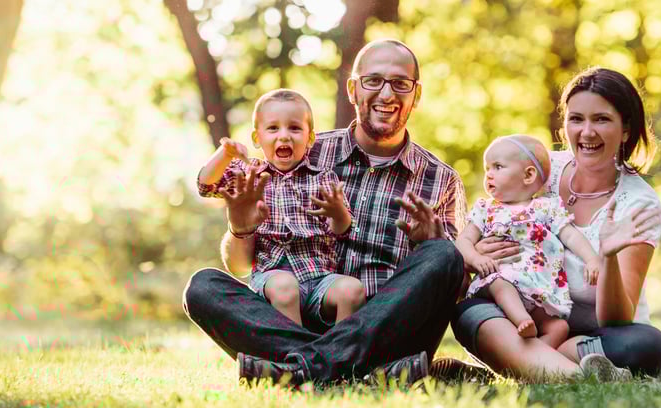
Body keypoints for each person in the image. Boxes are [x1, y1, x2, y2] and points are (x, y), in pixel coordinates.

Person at [182, 39, 468, 386]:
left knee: (443, 254)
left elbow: (455, 286)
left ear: (415, 95)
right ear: (352, 88)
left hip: (387, 335)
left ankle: (300, 369)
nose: (386, 94)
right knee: (202, 287)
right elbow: (241, 267)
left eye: (400, 83)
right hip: (297, 319)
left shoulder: (441, 179)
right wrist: (240, 227)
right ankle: (347, 372)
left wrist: (430, 244)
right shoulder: (302, 151)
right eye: (373, 80)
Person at [452, 67, 661, 382]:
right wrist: (481, 250)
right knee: (469, 313)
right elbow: (489, 220)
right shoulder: (541, 170)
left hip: (591, 334)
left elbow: (617, 319)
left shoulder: (638, 203)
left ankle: (540, 364)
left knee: (648, 346)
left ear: (625, 129)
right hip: (522, 318)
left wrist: (607, 256)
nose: (587, 132)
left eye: (602, 119)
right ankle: (568, 371)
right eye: (576, 119)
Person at [196, 89, 365, 328]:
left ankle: (341, 356)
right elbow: (205, 185)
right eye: (273, 128)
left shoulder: (323, 178)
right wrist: (225, 154)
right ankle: (293, 356)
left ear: (310, 138)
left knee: (352, 290)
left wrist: (340, 215)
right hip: (272, 276)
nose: (284, 136)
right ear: (257, 138)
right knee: (285, 287)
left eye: (294, 128)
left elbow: (342, 231)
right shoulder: (249, 174)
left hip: (320, 278)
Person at [455, 134, 601, 349]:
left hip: (538, 289)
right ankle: (521, 319)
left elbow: (570, 235)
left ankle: (534, 364)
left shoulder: (547, 208)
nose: (489, 175)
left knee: (559, 328)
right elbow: (464, 240)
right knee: (501, 283)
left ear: (528, 175)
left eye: (497, 167)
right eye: (487, 169)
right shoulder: (487, 210)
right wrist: (475, 258)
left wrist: (592, 259)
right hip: (500, 278)